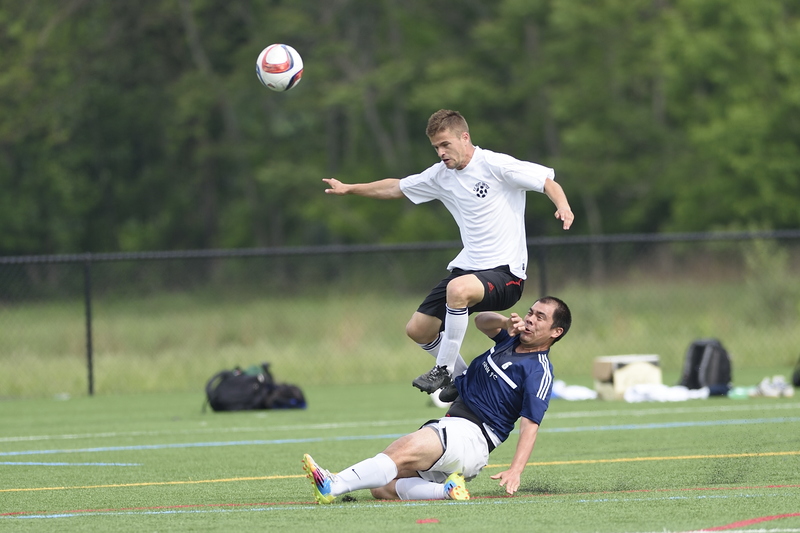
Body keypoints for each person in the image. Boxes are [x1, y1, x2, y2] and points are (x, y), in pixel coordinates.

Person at [323, 110, 574, 396]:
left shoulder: (494, 164)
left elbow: (546, 182)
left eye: (445, 144)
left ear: (464, 137)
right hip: (469, 270)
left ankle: (442, 370)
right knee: (419, 329)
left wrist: (563, 205)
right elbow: (395, 187)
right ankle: (462, 378)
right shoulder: (441, 176)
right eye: (436, 147)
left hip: (507, 275)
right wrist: (349, 188)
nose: (441, 152)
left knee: (457, 289)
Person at [301, 296, 572, 503]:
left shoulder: (539, 371)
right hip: (458, 431)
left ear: (556, 332)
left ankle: (333, 485)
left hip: (472, 436)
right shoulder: (510, 341)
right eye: (530, 312)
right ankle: (446, 490)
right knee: (382, 487)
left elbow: (530, 425)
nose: (530, 319)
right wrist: (504, 322)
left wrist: (515, 470)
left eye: (540, 317)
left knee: (398, 451)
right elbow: (480, 321)